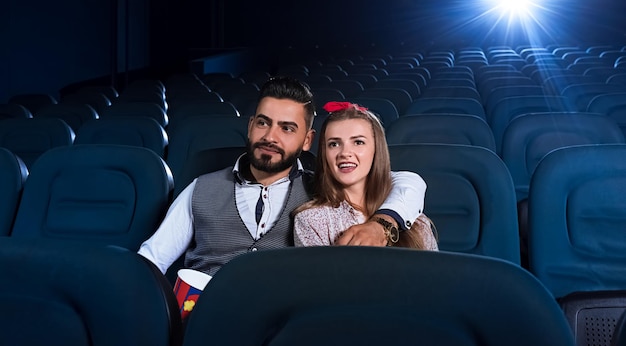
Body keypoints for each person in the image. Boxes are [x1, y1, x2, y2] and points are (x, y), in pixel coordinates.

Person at [138, 76, 427, 276]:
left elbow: (407, 182)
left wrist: (383, 223)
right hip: (204, 319)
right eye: (263, 123)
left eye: (287, 128)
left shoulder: (324, 189)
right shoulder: (201, 187)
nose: (271, 136)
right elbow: (150, 260)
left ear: (307, 140)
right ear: (251, 127)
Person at [293, 101, 438, 250]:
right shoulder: (311, 221)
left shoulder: (414, 219)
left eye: (358, 142)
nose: (345, 153)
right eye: (334, 144)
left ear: (376, 150)